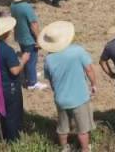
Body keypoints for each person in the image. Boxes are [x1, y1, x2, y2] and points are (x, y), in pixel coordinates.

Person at [40, 21, 97, 152]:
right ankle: (84, 149)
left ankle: (64, 148)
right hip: (80, 98)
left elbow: (51, 80)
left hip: (61, 98)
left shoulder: (49, 59)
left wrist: (57, 92)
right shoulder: (77, 51)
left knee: (62, 127)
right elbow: (89, 70)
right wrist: (94, 84)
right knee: (82, 129)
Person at [10, 0, 48, 91]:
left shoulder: (13, 5)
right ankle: (32, 82)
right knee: (32, 60)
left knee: (25, 57)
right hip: (29, 38)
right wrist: (38, 39)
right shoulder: (26, 7)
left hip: (20, 35)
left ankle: (29, 74)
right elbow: (33, 24)